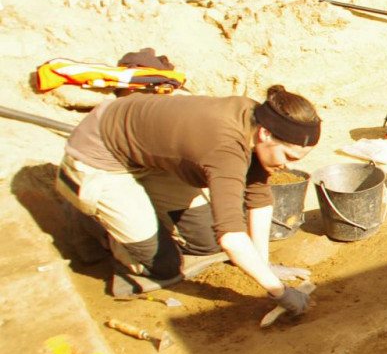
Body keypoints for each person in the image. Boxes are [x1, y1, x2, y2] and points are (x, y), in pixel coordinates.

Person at [55, 84, 320, 317]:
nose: (288, 166)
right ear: (265, 135)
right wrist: (278, 291)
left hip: (149, 157)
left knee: (205, 242)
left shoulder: (258, 119)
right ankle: (89, 215)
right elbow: (231, 238)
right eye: (289, 156)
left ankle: (137, 204)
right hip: (100, 155)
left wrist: (265, 266)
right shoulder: (225, 149)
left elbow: (258, 198)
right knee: (164, 265)